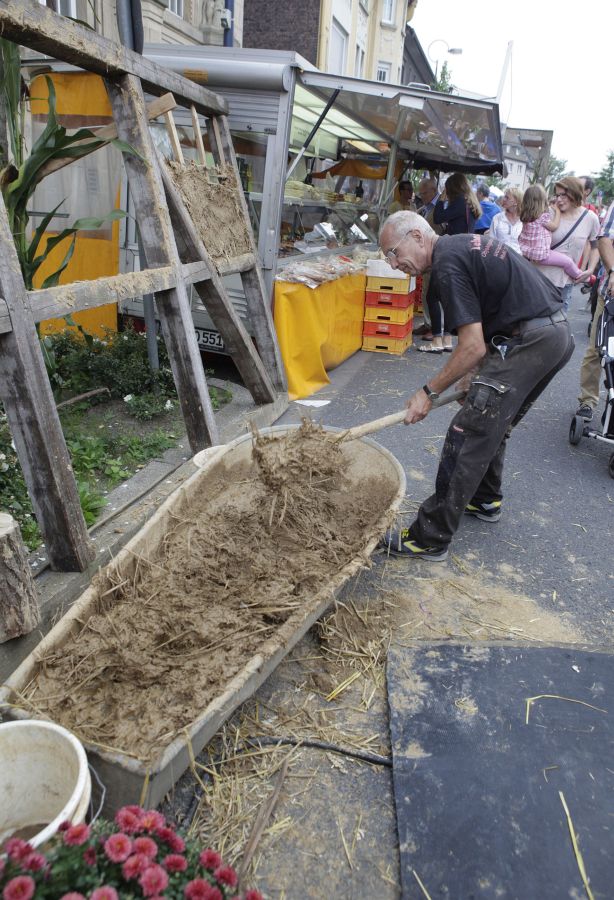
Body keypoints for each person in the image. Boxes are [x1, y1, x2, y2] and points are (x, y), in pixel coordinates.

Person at [378, 210, 574, 561]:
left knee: (467, 434)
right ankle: (485, 499)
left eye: (393, 252)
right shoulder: (462, 246)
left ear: (417, 237)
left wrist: (427, 393)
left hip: (529, 341)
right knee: (491, 423)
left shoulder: (447, 264)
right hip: (553, 335)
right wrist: (475, 375)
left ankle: (429, 537)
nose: (393, 264)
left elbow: (471, 346)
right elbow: (486, 322)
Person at [419, 173, 482, 353]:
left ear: (452, 188)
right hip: (463, 254)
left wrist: (441, 199)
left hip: (451, 253)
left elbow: (438, 217)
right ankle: (446, 340)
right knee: (446, 297)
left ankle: (437, 341)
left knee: (432, 297)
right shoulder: (470, 204)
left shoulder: (460, 202)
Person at [537, 176, 600, 313]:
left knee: (559, 322)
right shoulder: (548, 213)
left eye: (563, 195)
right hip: (538, 278)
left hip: (565, 283)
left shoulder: (590, 218)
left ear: (575, 193)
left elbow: (595, 246)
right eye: (557, 195)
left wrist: (590, 269)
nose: (559, 199)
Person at [576, 200, 614, 420]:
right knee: (598, 349)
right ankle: (588, 400)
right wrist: (613, 271)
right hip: (611, 293)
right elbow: (604, 238)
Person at [518, 185, 596, 284]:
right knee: (567, 262)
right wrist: (557, 212)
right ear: (542, 200)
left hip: (529, 253)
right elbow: (554, 226)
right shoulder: (542, 217)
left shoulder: (525, 216)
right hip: (541, 255)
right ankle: (581, 277)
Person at [413, 176, 441, 340]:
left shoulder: (440, 206)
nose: (421, 196)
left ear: (433, 191)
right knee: (426, 290)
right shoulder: (425, 207)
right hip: (425, 255)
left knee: (434, 293)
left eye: (424, 193)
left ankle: (437, 328)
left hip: (436, 254)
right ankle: (428, 323)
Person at [488, 187, 523, 253]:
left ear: (516, 202)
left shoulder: (524, 221)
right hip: (499, 257)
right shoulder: (497, 218)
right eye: (504, 196)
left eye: (507, 197)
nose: (503, 199)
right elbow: (491, 241)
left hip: (518, 258)